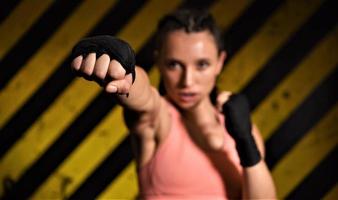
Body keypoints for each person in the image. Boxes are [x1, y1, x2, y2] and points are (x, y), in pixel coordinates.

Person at [71, 9, 277, 200]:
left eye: (202, 64)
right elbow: (143, 98)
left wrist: (245, 139)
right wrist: (127, 76)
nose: (187, 81)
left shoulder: (236, 126)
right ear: (158, 61)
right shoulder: (158, 119)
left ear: (220, 62)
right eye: (174, 65)